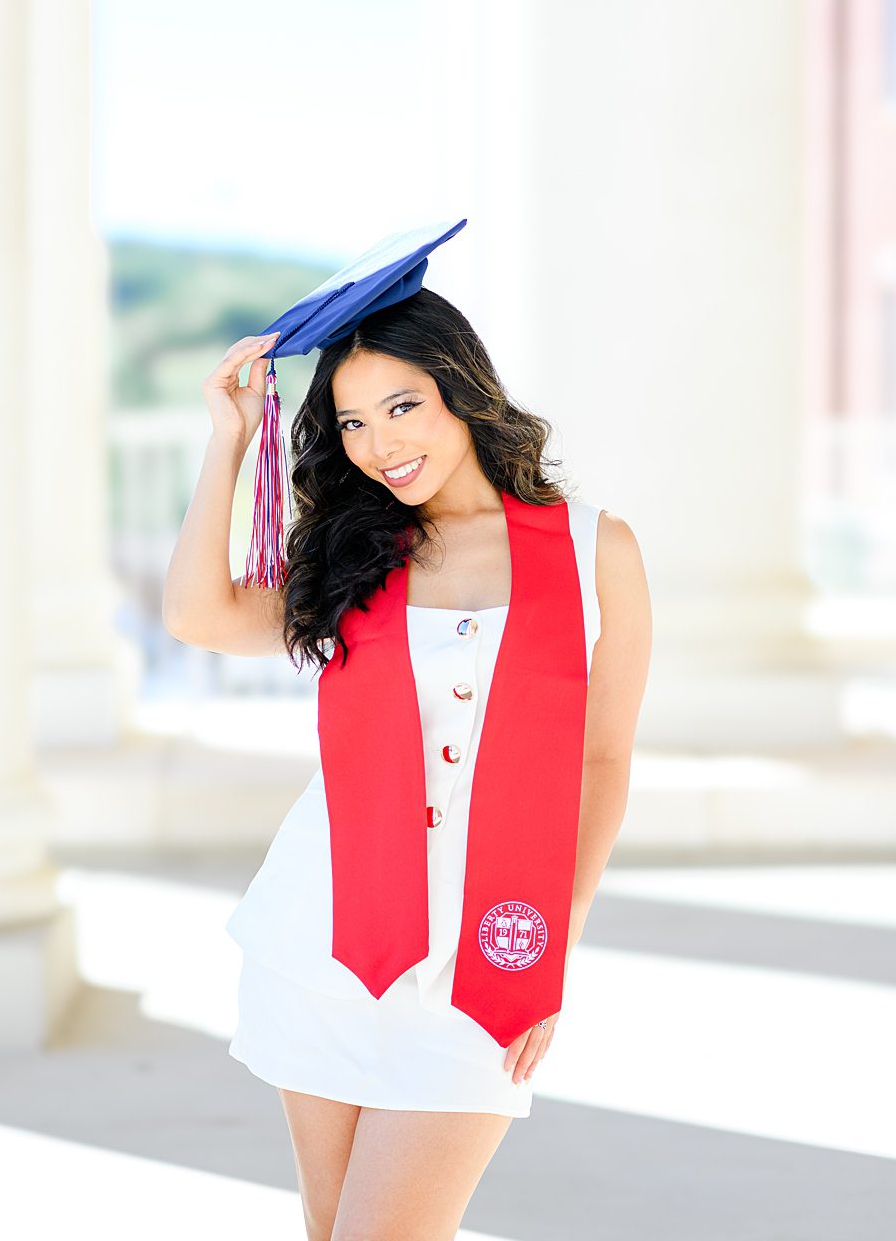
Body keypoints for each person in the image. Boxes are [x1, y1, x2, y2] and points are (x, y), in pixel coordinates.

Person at [163, 282, 651, 1240]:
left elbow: (603, 758)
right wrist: (228, 438)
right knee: (333, 1229)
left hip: (486, 962)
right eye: (351, 422)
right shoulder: (356, 553)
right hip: (321, 946)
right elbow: (196, 615)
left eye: (402, 407)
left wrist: (554, 947)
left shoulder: (598, 550)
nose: (380, 446)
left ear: (462, 391)